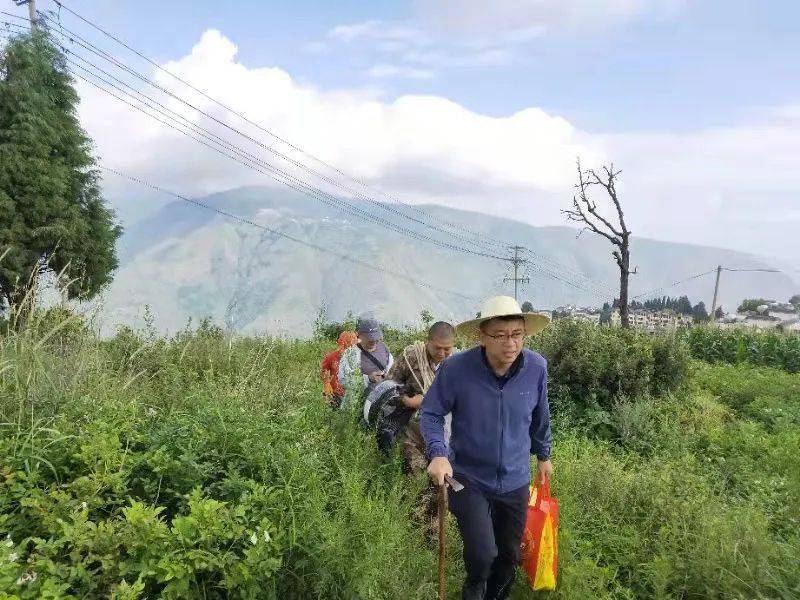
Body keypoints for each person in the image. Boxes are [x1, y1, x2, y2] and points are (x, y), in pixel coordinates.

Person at [420, 296, 553, 600]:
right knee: (482, 555)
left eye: (517, 334)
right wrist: (438, 453)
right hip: (468, 478)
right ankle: (474, 591)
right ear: (482, 337)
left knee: (508, 555)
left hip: (515, 479)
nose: (511, 344)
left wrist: (544, 454)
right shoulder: (456, 369)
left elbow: (540, 415)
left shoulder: (536, 368)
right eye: (500, 335)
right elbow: (430, 412)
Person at [381, 321, 456, 472]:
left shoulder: (455, 363)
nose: (441, 353)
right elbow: (387, 387)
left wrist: (427, 401)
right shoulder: (411, 357)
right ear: (427, 342)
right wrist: (406, 400)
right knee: (417, 470)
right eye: (437, 348)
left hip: (442, 427)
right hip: (409, 425)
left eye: (447, 349)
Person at [338, 317, 394, 408]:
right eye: (369, 338)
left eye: (375, 337)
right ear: (359, 335)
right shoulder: (350, 354)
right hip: (354, 407)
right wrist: (368, 379)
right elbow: (343, 379)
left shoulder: (385, 352)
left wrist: (387, 378)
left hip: (379, 407)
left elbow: (393, 373)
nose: (372, 341)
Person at [320, 331, 358, 409]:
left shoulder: (358, 358)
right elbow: (323, 371)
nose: (346, 348)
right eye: (344, 345)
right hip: (335, 394)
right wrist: (327, 384)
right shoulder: (331, 357)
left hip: (352, 394)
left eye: (351, 345)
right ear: (339, 343)